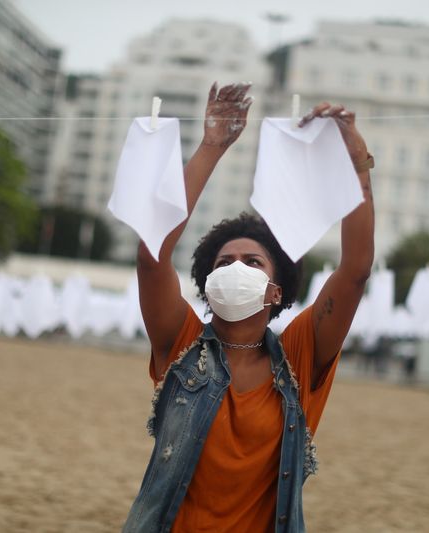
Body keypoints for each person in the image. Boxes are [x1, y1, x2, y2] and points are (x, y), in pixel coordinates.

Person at [123, 82, 375, 532]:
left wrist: (356, 166)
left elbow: (354, 270)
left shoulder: (301, 355)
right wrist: (211, 147)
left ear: (275, 291)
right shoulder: (179, 344)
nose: (235, 267)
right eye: (224, 263)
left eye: (252, 262)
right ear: (207, 283)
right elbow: (151, 255)